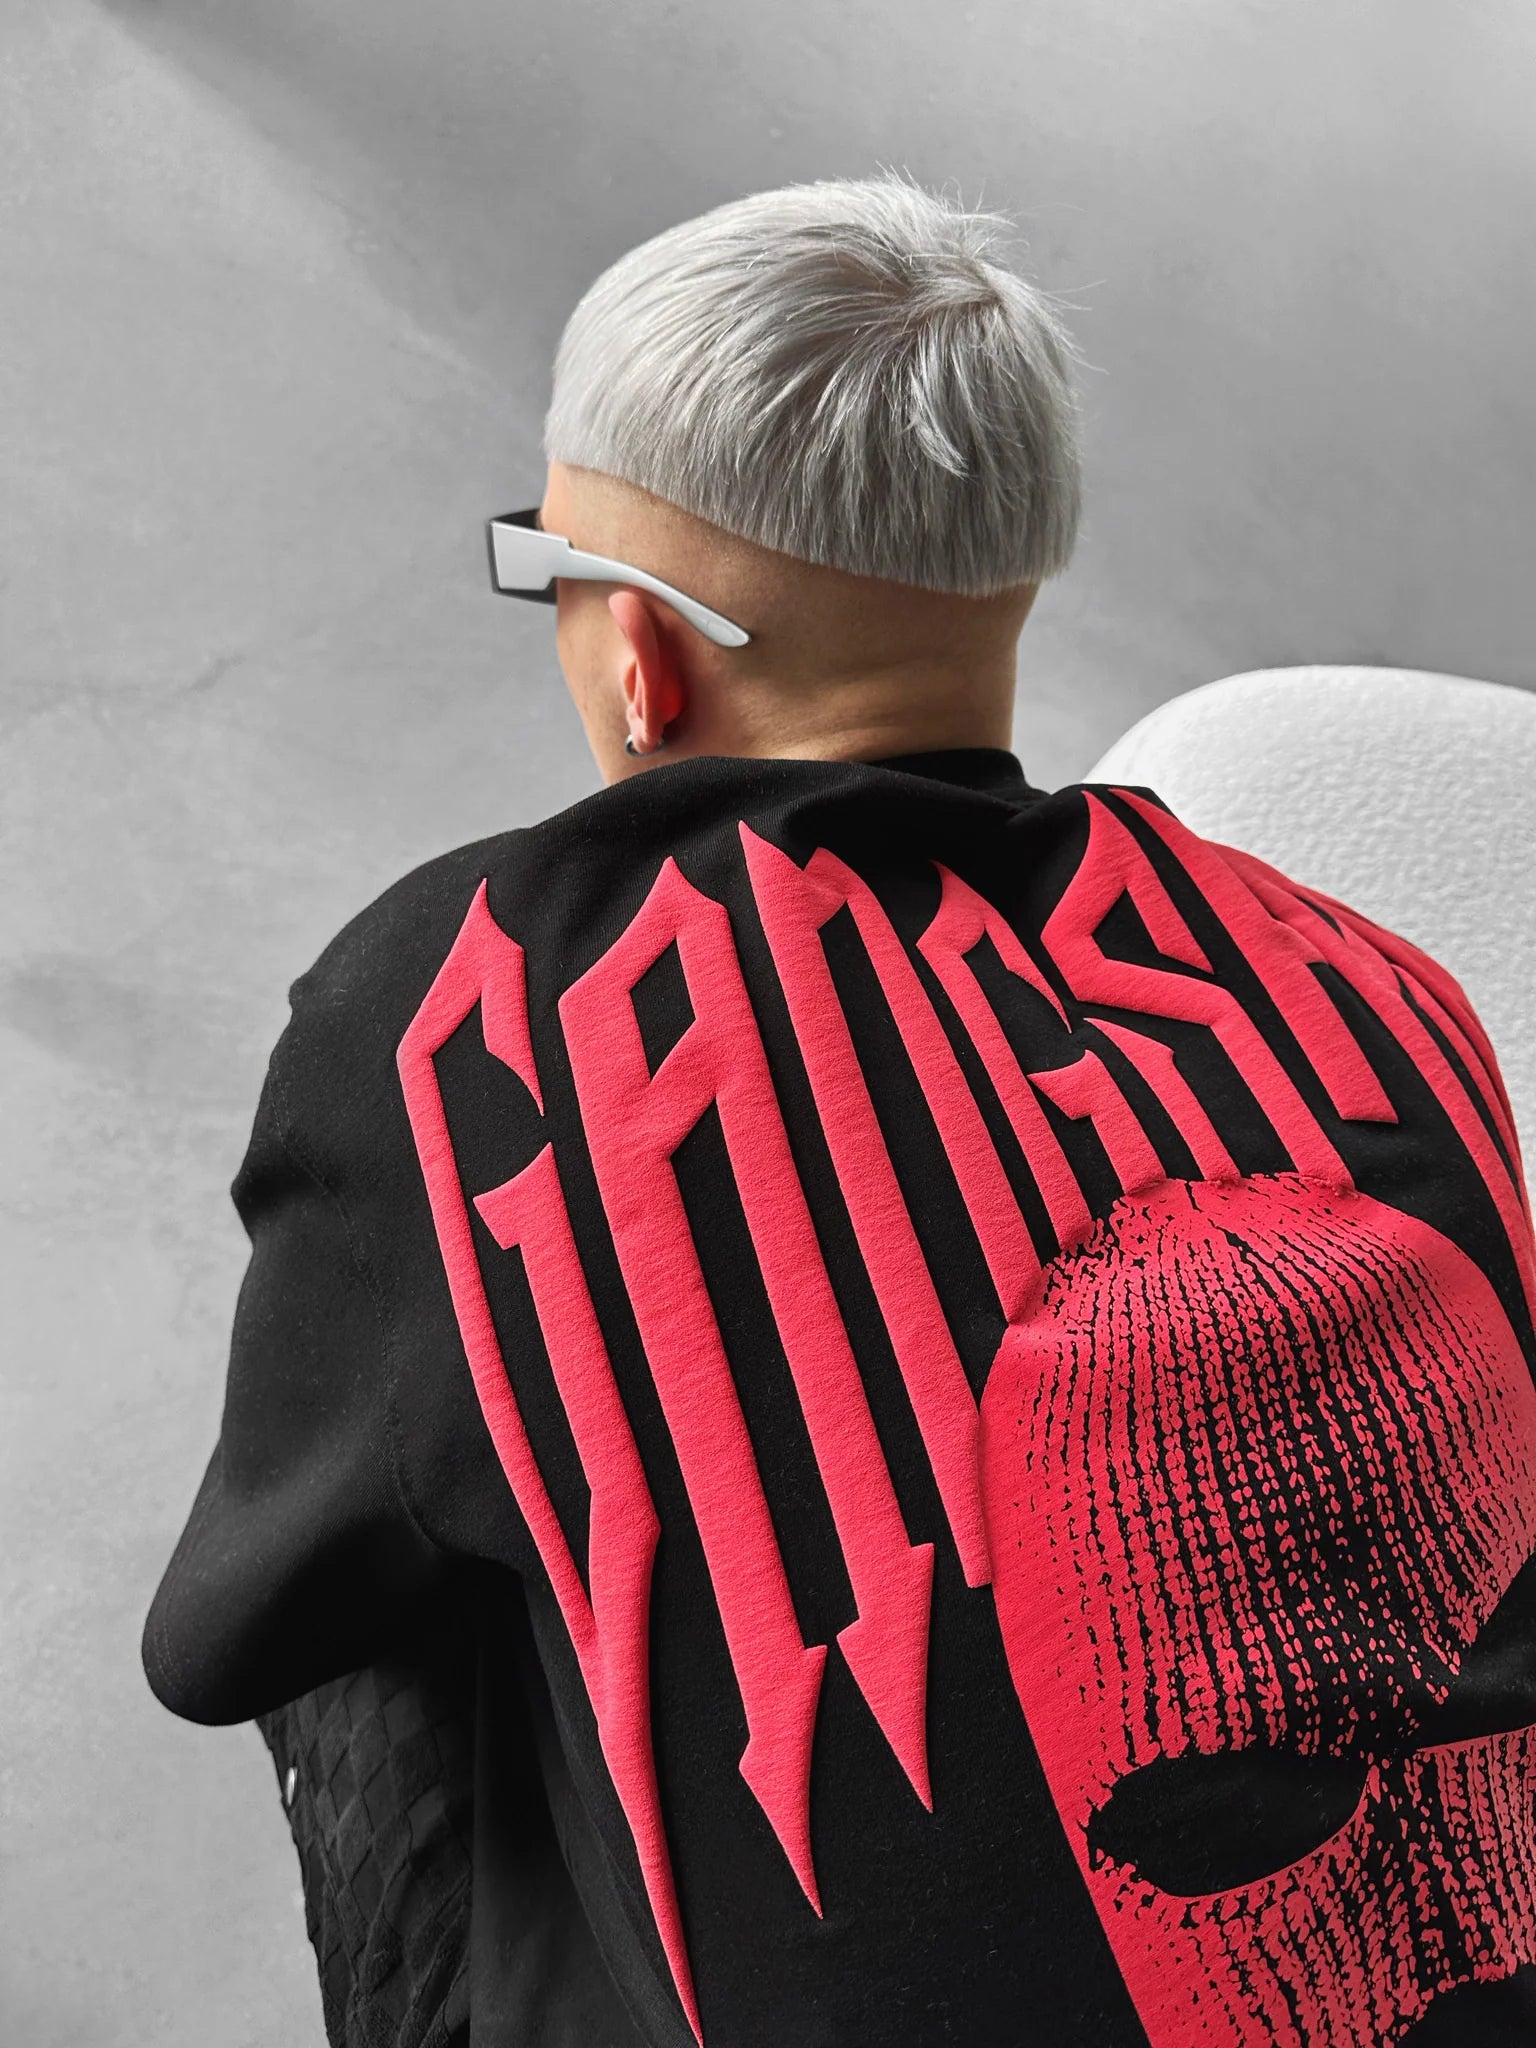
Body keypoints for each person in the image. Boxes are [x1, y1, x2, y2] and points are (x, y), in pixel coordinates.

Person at [142, 170, 1536, 2048]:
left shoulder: (448, 1009)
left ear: (641, 659)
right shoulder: (1390, 985)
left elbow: (228, 1634)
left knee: (397, 1617)